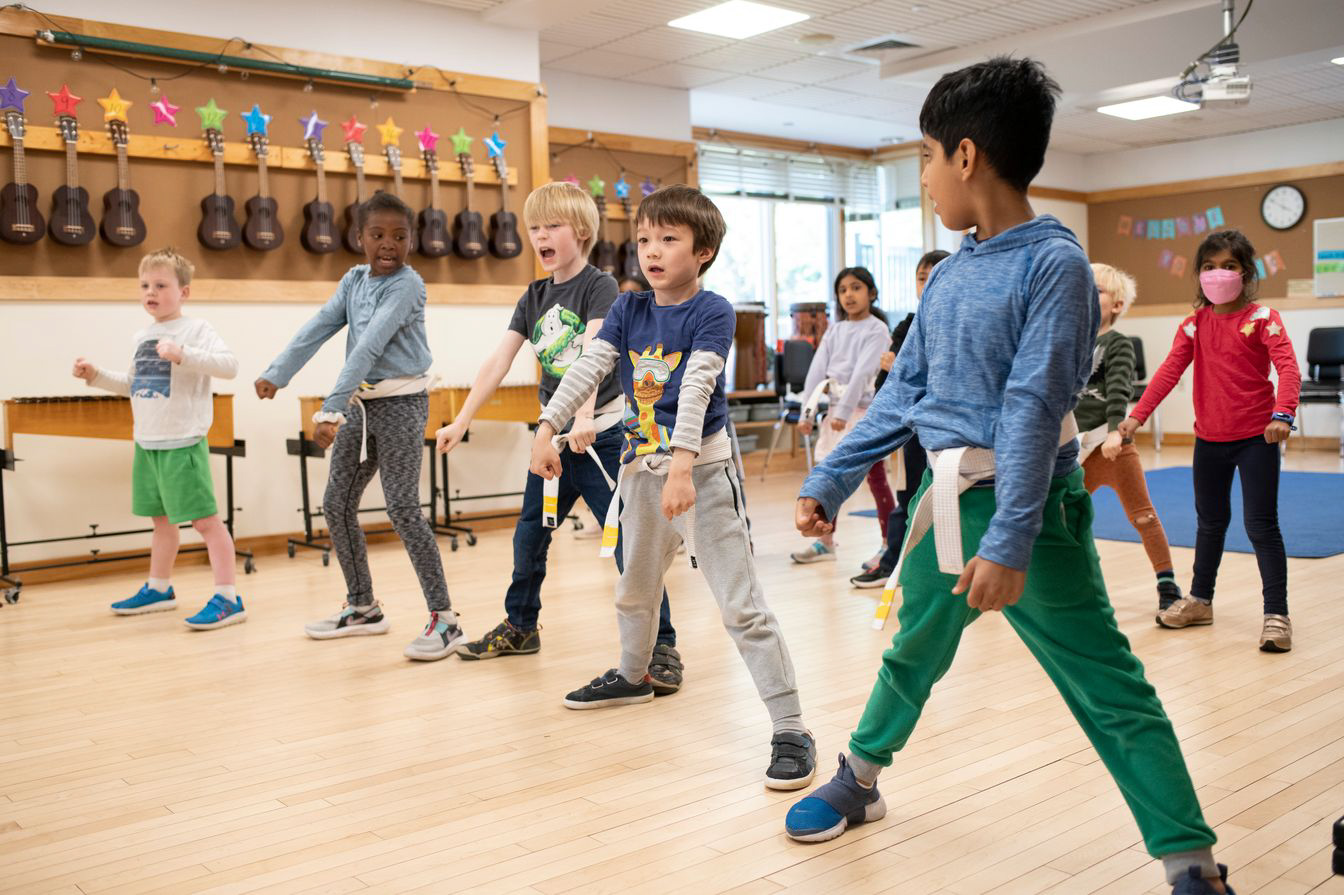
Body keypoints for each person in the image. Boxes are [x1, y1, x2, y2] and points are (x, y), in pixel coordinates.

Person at [784, 57, 1232, 895]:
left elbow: (1031, 406)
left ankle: (1191, 862)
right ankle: (860, 775)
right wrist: (834, 477)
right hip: (943, 502)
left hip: (1030, 516)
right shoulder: (952, 272)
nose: (922, 179)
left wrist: (1012, 536)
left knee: (1106, 683)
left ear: (964, 156)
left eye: (923, 157)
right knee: (915, 645)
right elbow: (906, 392)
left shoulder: (1053, 264)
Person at [530, 184, 815, 790]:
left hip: (702, 471)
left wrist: (684, 465)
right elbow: (589, 367)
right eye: (643, 240)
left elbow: (698, 386)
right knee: (634, 591)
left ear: (703, 250)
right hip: (641, 469)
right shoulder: (631, 309)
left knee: (740, 604)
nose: (651, 251)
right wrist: (547, 427)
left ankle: (790, 726)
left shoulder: (711, 310)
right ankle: (635, 676)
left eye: (668, 239)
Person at [437, 181, 683, 692]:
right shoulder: (534, 295)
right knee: (530, 534)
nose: (539, 235)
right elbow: (499, 360)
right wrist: (462, 419)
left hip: (603, 439)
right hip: (553, 441)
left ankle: (662, 645)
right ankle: (520, 626)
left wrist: (584, 418)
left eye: (551, 226)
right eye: (533, 227)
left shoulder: (600, 286)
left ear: (582, 232)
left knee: (630, 546)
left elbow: (595, 354)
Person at [256, 193, 464, 661]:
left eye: (399, 235)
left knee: (403, 509)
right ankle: (362, 606)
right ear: (359, 238)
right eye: (377, 235)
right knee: (336, 503)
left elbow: (368, 347)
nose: (388, 244)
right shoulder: (353, 280)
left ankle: (445, 620)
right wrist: (277, 372)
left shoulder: (408, 285)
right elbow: (319, 326)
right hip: (359, 403)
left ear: (412, 240)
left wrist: (330, 410)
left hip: (402, 405)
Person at [1118, 229, 1300, 652]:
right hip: (1210, 440)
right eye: (1209, 267)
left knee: (1261, 525)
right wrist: (1136, 416)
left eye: (1229, 266)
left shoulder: (1263, 319)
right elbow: (1167, 372)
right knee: (1210, 523)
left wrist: (1283, 414)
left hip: (1257, 438)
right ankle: (1200, 600)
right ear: (1199, 274)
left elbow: (1288, 368)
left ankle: (1277, 614)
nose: (1219, 274)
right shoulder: (1194, 324)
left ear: (1246, 272)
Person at [73, 247, 244, 630]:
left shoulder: (196, 330)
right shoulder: (143, 335)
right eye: (145, 285)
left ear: (183, 292)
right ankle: (159, 587)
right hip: (147, 442)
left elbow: (230, 366)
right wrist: (95, 375)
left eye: (161, 284)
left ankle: (229, 597)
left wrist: (183, 354)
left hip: (183, 442)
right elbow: (136, 386)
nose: (151, 291)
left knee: (206, 523)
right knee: (161, 522)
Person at [1077, 263, 1183, 615]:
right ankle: (1068, 585)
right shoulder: (1069, 340)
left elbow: (1119, 389)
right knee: (1064, 516)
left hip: (1109, 447)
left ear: (1117, 305)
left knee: (1142, 516)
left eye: (1098, 291)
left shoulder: (1117, 343)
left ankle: (1167, 582)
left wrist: (1113, 432)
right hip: (1073, 450)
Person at [851, 249, 949, 588]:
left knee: (952, 499)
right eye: (922, 278)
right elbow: (884, 383)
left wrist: (905, 371)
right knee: (909, 497)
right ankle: (893, 561)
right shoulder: (908, 324)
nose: (928, 283)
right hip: (913, 431)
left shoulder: (958, 323)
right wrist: (899, 374)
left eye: (936, 275)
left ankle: (948, 564)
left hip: (949, 433)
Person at [790, 267, 891, 565]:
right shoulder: (835, 330)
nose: (849, 294)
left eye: (856, 287)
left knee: (875, 478)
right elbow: (817, 371)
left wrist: (845, 412)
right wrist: (806, 412)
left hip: (861, 413)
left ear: (871, 293)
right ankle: (826, 542)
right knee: (827, 479)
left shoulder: (877, 330)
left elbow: (862, 373)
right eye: (843, 289)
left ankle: (888, 544)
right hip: (835, 412)